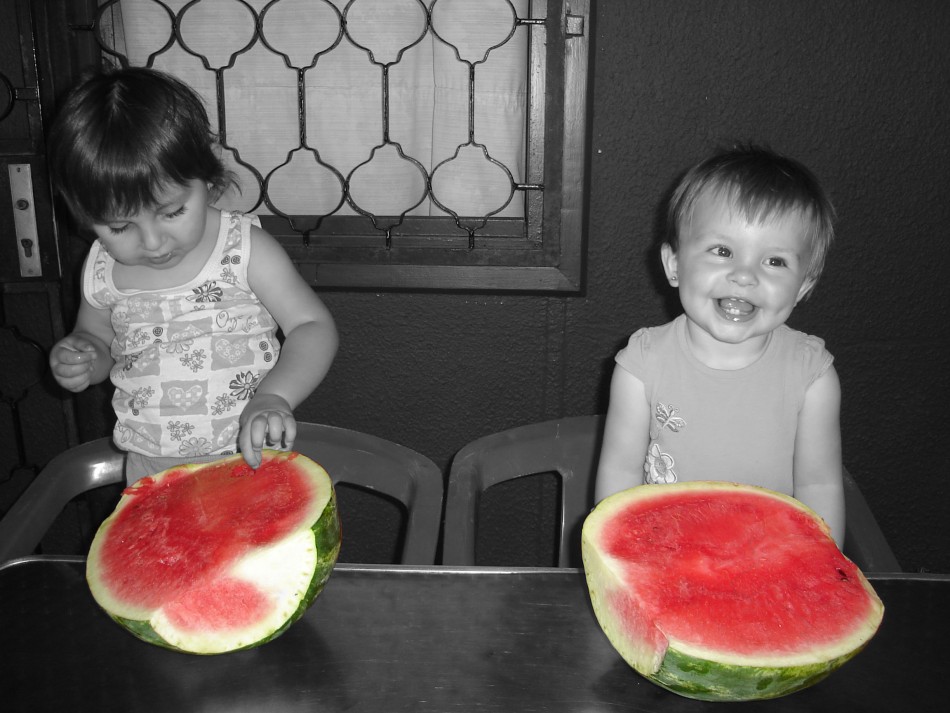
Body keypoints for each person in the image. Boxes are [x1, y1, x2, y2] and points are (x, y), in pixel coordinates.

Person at [47, 66, 338, 482]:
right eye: (119, 226)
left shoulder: (244, 249)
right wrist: (83, 358)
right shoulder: (101, 268)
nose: (152, 242)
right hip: (149, 466)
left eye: (172, 212)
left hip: (249, 456)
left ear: (206, 177)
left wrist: (275, 396)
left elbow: (312, 326)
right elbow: (97, 338)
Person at [594, 145, 844, 545]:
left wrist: (822, 566)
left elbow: (819, 486)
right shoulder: (640, 365)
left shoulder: (813, 377)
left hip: (768, 559)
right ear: (674, 265)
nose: (744, 275)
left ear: (803, 286)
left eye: (775, 261)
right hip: (666, 554)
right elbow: (620, 477)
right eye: (723, 251)